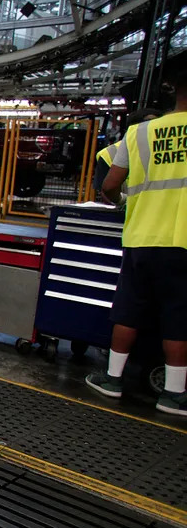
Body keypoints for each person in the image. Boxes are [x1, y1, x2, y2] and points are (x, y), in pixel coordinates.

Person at [85, 55, 187, 415]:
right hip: (184, 241)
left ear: (173, 88)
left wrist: (125, 202)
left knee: (128, 307)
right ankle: (174, 394)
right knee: (179, 313)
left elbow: (110, 185)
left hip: (142, 235)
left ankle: (112, 379)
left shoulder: (140, 131)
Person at [94, 108, 160, 196]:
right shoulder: (109, 154)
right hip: (127, 207)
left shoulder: (163, 148)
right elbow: (105, 190)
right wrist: (121, 202)